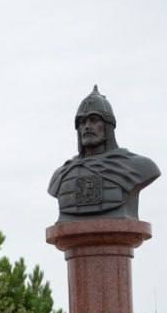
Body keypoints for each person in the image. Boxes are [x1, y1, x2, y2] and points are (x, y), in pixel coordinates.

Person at [48, 86, 160, 221]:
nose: (87, 126)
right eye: (82, 122)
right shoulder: (61, 174)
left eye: (94, 120)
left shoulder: (139, 166)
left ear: (108, 126)